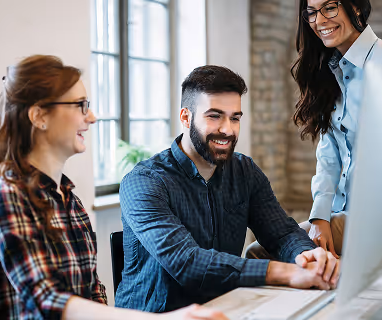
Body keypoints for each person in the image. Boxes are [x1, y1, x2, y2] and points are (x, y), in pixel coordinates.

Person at [0, 55, 228, 320]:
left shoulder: (69, 200)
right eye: (80, 106)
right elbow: (47, 300)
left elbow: (93, 293)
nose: (92, 117)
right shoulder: (3, 197)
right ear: (39, 116)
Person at [115, 65, 340, 313]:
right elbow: (186, 262)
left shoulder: (244, 171)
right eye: (214, 116)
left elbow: (282, 234)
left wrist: (308, 257)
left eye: (235, 118)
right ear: (185, 117)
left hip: (226, 310)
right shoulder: (144, 182)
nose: (227, 130)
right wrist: (288, 272)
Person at [247, 0, 382, 270]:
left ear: (356, 7)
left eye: (330, 7)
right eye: (312, 12)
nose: (319, 20)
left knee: (260, 254)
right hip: (344, 215)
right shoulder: (331, 68)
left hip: (381, 221)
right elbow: (329, 156)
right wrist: (320, 218)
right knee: (261, 251)